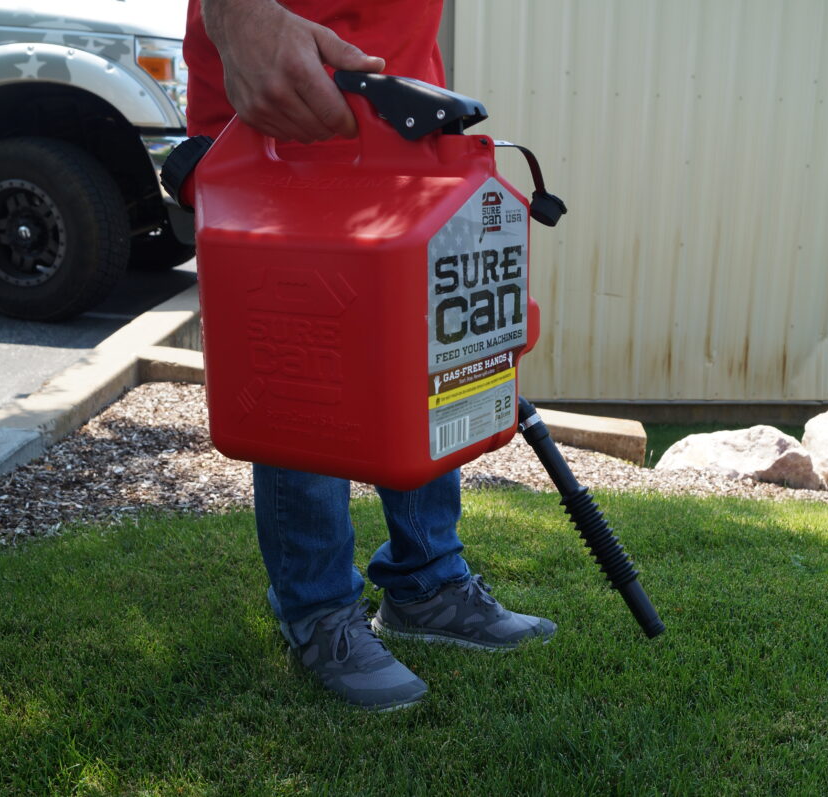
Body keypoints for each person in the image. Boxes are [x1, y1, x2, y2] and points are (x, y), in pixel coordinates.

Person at [183, 0, 555, 712]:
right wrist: (240, 16)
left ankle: (427, 584)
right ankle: (318, 609)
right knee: (304, 349)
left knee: (428, 346)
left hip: (400, 118)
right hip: (279, 107)